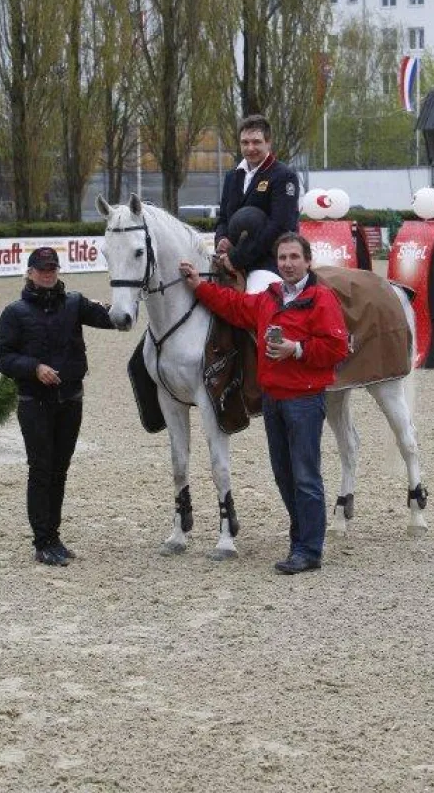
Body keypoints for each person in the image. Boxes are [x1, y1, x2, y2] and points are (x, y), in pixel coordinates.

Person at [180, 233, 348, 574]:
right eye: (282, 258)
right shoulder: (268, 298)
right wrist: (199, 286)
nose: (287, 264)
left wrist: (296, 349)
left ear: (307, 261)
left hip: (303, 399)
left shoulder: (321, 299)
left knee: (305, 476)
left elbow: (336, 349)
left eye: (293, 257)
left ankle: (309, 550)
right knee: (284, 476)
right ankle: (300, 538)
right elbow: (234, 305)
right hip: (274, 400)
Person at [0, 247, 114, 566]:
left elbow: (112, 319)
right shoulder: (14, 312)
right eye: (42, 269)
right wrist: (33, 368)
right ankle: (42, 540)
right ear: (30, 272)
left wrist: (131, 296)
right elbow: (1, 356)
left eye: (52, 268)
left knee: (60, 470)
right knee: (41, 469)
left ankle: (54, 537)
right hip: (35, 403)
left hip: (70, 401)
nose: (48, 274)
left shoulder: (74, 303)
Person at [214, 114, 300, 278]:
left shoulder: (284, 176)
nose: (250, 148)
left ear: (268, 143)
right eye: (245, 143)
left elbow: (280, 227)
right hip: (229, 260)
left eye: (256, 142)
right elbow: (223, 218)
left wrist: (237, 258)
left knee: (255, 296)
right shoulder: (232, 176)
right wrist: (221, 239)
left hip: (268, 263)